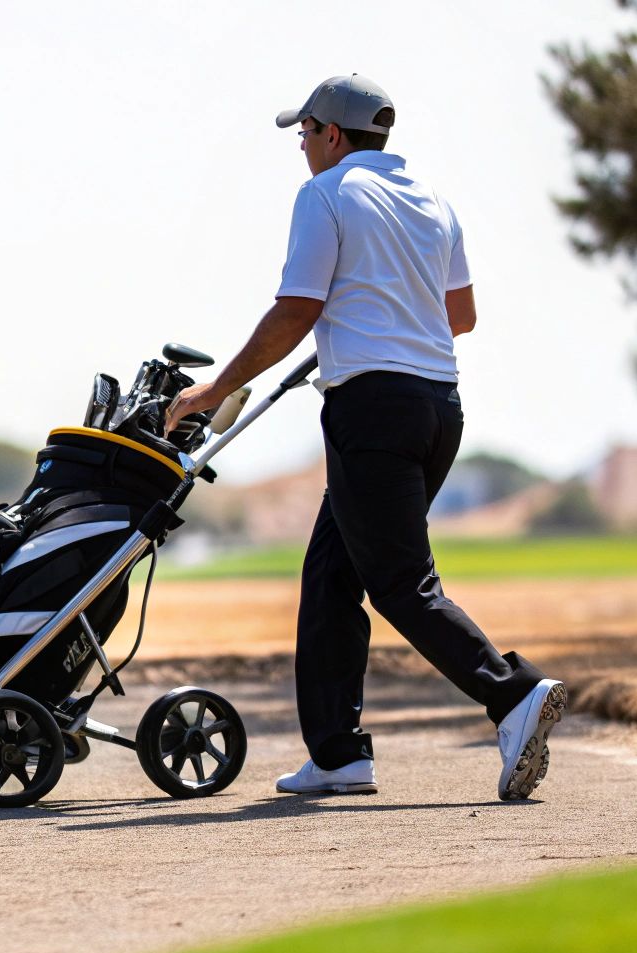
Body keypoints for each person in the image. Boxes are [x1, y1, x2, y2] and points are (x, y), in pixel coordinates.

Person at [164, 74, 567, 801]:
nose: (302, 146)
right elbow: (461, 315)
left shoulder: (325, 195)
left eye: (305, 133)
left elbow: (295, 311)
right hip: (439, 409)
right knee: (331, 577)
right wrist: (379, 317)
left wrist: (212, 390)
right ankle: (338, 753)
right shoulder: (433, 201)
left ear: (333, 135)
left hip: (373, 411)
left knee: (400, 584)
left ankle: (512, 694)